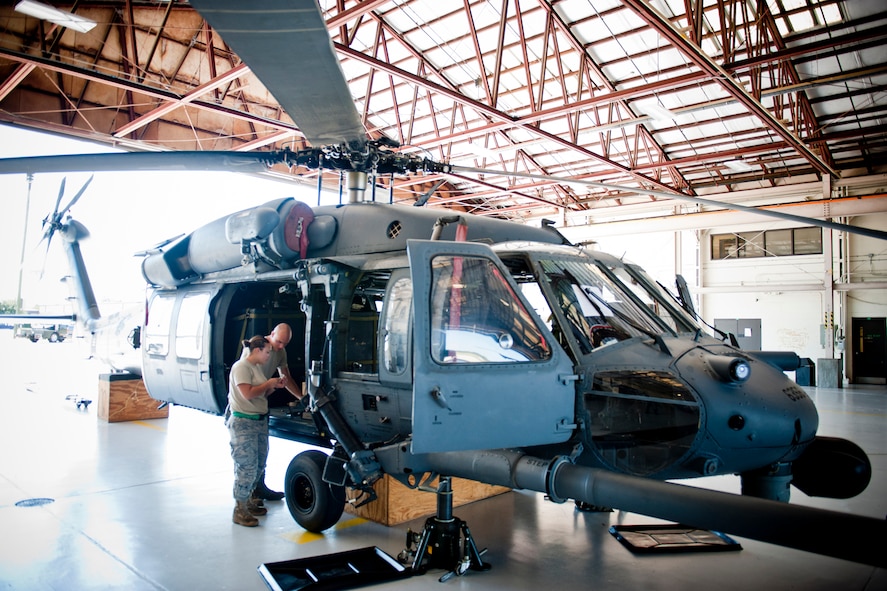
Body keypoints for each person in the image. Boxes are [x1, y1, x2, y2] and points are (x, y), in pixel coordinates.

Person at [227, 335, 287, 527]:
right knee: (246, 466)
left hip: (259, 421)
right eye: (267, 352)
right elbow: (248, 394)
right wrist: (268, 384)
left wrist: (273, 387)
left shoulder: (256, 368)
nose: (270, 356)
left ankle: (250, 500)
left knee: (259, 464)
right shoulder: (242, 367)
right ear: (257, 350)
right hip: (244, 422)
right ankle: (240, 508)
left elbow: (260, 393)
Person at [239, 323, 304, 501]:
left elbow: (286, 377)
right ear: (272, 333)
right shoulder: (253, 353)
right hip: (246, 410)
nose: (280, 347)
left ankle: (258, 488)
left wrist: (301, 397)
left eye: (284, 344)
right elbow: (247, 390)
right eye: (279, 342)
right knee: (247, 457)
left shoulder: (280, 352)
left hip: (260, 406)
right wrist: (269, 385)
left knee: (261, 453)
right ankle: (245, 500)